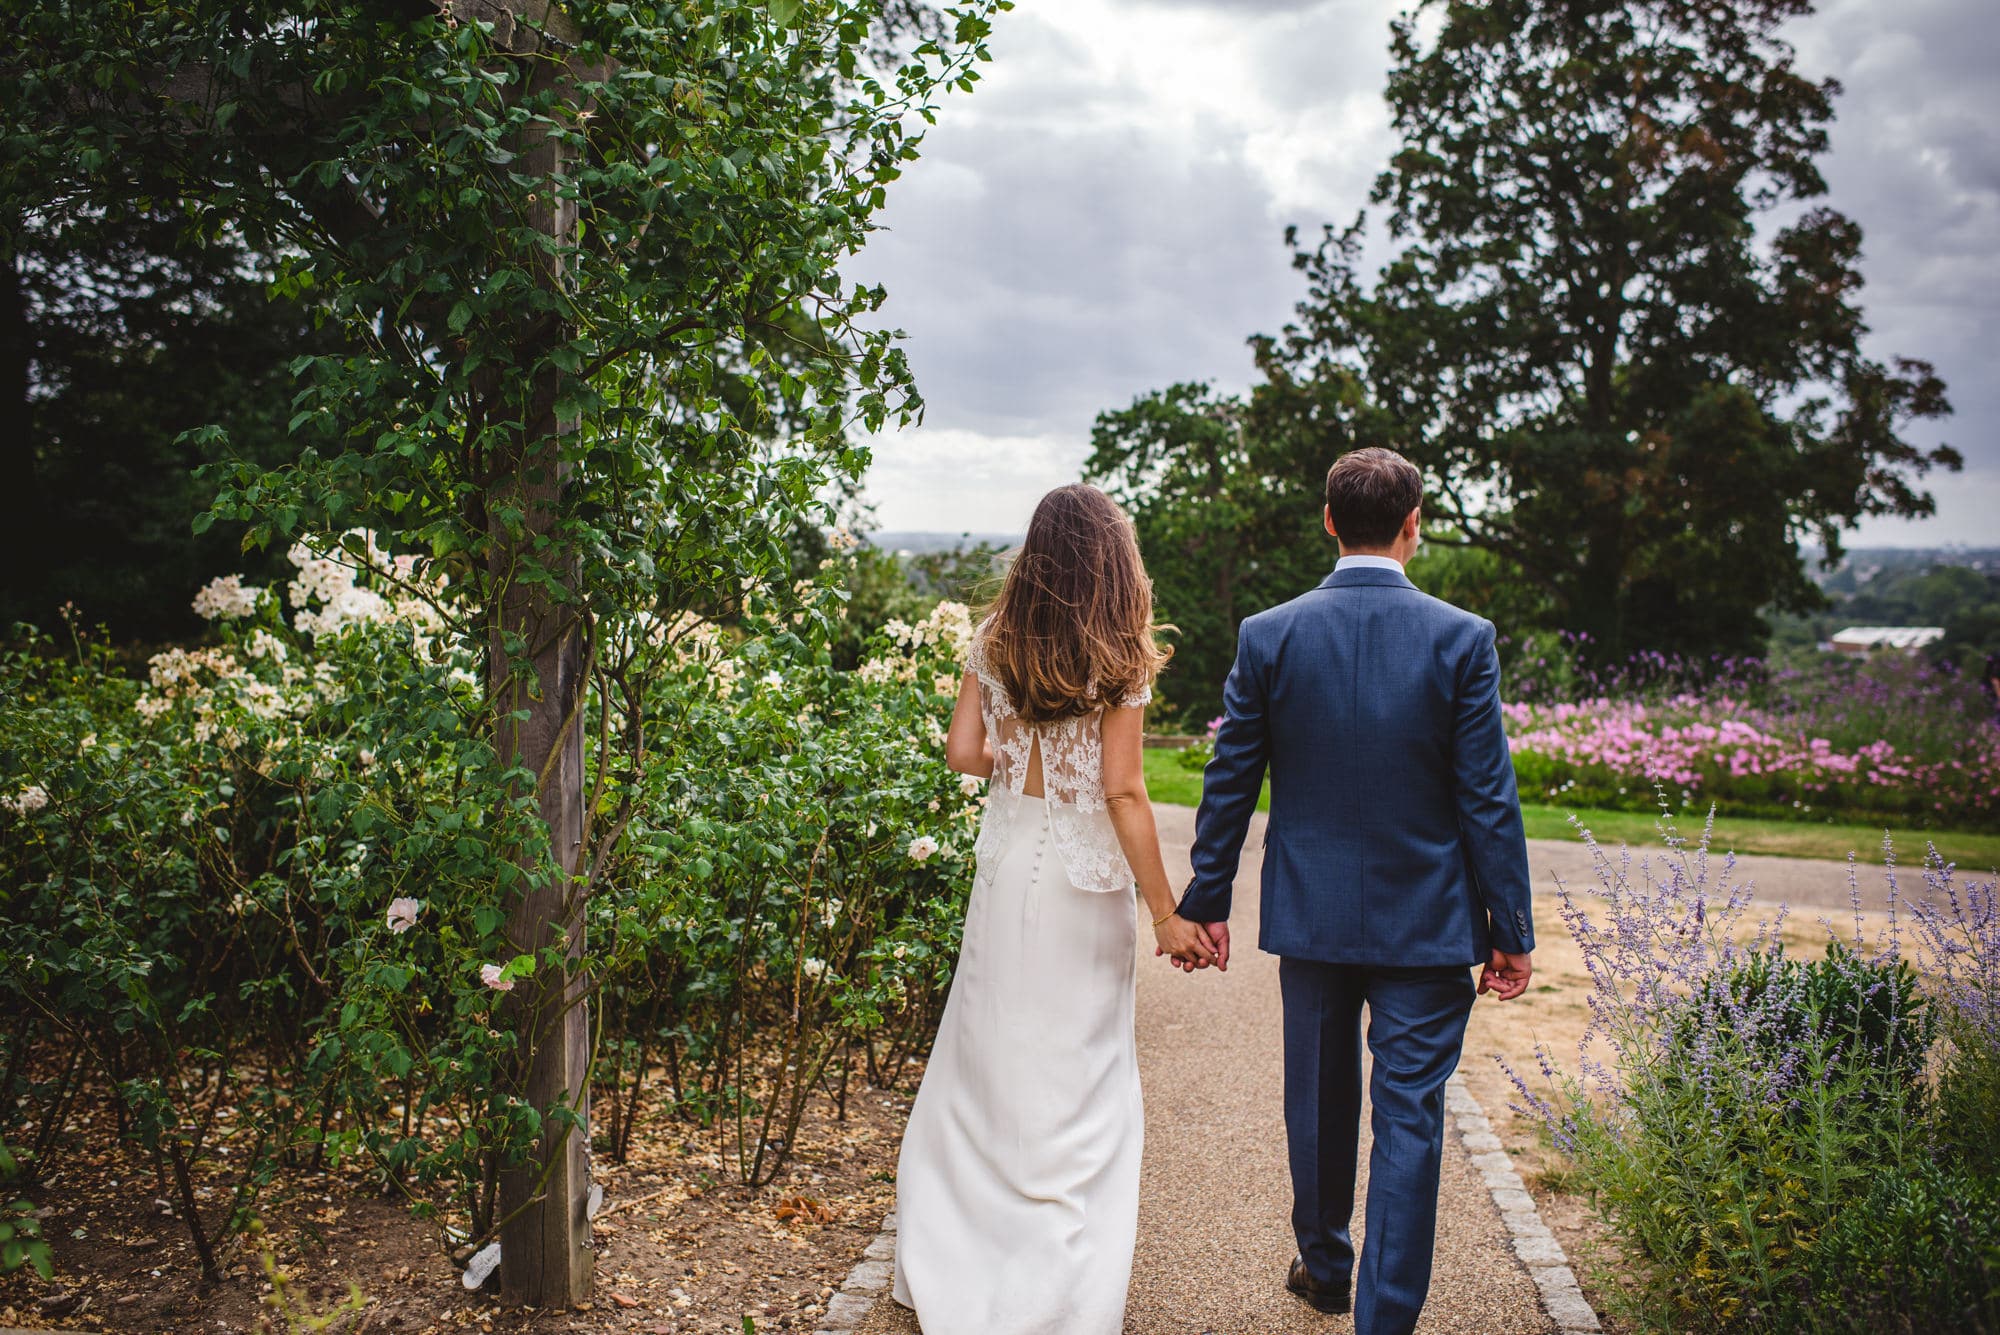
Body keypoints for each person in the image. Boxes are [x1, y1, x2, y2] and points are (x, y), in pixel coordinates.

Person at [1173, 447, 1536, 1335]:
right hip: (1431, 922)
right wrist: (1510, 926)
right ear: (1414, 524)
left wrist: (1205, 897)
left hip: (1315, 913)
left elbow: (1231, 779)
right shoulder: (1462, 638)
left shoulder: (1271, 632)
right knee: (1410, 1119)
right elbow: (1487, 796)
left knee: (1321, 1099)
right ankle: (1384, 1319)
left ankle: (1327, 1266)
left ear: (1329, 520)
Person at [891, 483, 1216, 1335]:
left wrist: (1013, 755)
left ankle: (957, 1256)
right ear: (1114, 560)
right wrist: (1166, 912)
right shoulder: (1121, 655)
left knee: (985, 1060)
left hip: (1004, 869)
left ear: (1035, 555)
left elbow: (964, 750)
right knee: (1079, 1078)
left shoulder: (994, 638)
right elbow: (1124, 790)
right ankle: (1057, 1291)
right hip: (1083, 885)